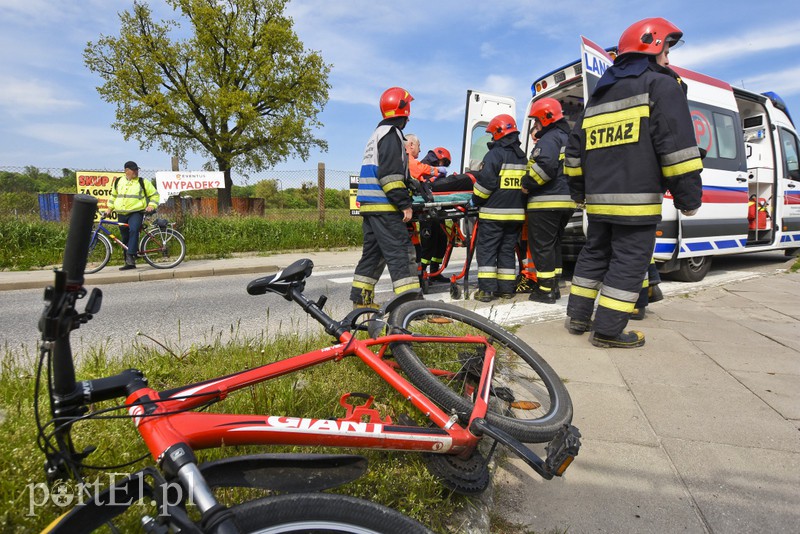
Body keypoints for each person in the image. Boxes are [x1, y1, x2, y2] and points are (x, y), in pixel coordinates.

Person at [564, 17, 703, 348]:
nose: (668, 60)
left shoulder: (597, 99)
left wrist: (579, 194)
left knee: (594, 255)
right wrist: (688, 197)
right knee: (629, 262)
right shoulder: (661, 86)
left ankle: (578, 317)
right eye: (666, 51)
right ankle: (609, 331)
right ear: (651, 48)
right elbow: (677, 148)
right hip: (637, 201)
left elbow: (573, 152)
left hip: (598, 203)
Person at [350, 87, 421, 308]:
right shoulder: (392, 134)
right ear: (405, 111)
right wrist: (405, 204)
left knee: (373, 255)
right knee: (402, 253)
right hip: (386, 205)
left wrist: (410, 182)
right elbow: (390, 176)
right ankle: (412, 307)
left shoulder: (376, 135)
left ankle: (361, 303)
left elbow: (383, 169)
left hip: (371, 207)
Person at [521, 98, 577, 303]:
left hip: (545, 202)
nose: (535, 125)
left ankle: (544, 291)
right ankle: (554, 287)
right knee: (554, 245)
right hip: (566, 202)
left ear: (546, 118)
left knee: (542, 247)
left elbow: (545, 168)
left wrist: (526, 184)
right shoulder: (567, 138)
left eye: (536, 121)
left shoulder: (549, 139)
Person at [471, 114, 527, 302]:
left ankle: (486, 291)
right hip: (516, 216)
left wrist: (475, 199)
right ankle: (506, 290)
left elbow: (485, 184)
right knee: (506, 251)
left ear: (498, 133)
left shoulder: (494, 154)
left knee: (487, 251)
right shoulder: (522, 157)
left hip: (493, 215)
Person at [108, 161, 160, 270]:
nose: (136, 171)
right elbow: (113, 197)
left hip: (136, 212)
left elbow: (155, 196)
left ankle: (131, 255)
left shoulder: (142, 182)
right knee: (125, 237)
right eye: (133, 170)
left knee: (134, 230)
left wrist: (151, 206)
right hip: (121, 214)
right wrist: (109, 209)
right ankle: (129, 263)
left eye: (137, 169)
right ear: (126, 171)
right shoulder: (118, 181)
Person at [419, 146, 452, 282]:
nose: (443, 166)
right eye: (443, 162)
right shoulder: (424, 167)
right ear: (439, 158)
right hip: (427, 213)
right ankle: (422, 273)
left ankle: (435, 271)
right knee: (428, 243)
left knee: (441, 240)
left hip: (437, 212)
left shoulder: (437, 172)